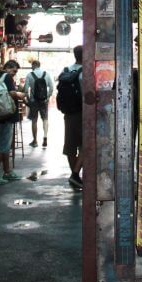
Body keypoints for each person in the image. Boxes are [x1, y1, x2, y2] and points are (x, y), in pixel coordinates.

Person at [0, 60, 25, 185]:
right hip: (6, 117)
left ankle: (7, 171)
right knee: (2, 147)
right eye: (14, 71)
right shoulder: (7, 77)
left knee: (5, 146)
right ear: (7, 68)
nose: (14, 73)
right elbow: (12, 93)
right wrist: (20, 94)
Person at [60, 45, 83, 189]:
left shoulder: (66, 70)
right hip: (82, 113)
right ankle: (75, 174)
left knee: (70, 146)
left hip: (68, 113)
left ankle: (75, 176)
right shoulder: (86, 71)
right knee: (87, 144)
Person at [24, 60, 54, 148]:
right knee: (45, 119)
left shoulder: (30, 75)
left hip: (34, 101)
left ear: (34, 65)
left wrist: (28, 99)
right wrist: (47, 97)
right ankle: (45, 137)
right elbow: (51, 87)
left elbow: (26, 89)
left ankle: (35, 141)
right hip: (43, 101)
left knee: (34, 121)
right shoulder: (46, 74)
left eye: (31, 65)